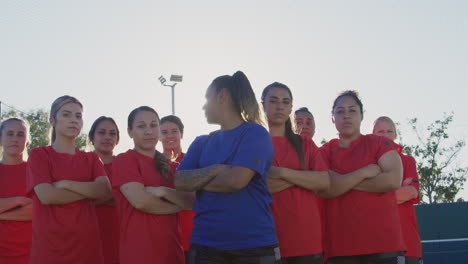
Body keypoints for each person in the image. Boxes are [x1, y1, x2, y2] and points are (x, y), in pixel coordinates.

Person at [175, 71, 280, 264]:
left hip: (253, 247)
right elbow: (180, 181)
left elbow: (235, 181)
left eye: (207, 98)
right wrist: (216, 169)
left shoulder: (255, 133)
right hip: (205, 246)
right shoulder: (201, 142)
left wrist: (197, 181)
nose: (204, 106)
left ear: (222, 96)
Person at [318, 91, 405, 264]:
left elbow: (393, 180)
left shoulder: (378, 143)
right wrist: (363, 172)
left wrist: (341, 180)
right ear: (332, 118)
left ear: (362, 115)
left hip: (383, 244)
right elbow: (326, 189)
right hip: (341, 247)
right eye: (340, 111)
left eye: (352, 110)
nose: (346, 116)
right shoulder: (325, 151)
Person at [26, 95, 112, 264]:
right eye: (66, 115)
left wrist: (66, 184)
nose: (74, 120)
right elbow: (48, 195)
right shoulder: (39, 155)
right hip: (49, 249)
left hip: (87, 248)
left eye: (78, 116)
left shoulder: (91, 158)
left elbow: (105, 192)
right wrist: (89, 191)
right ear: (52, 120)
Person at [112, 106, 192, 264]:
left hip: (173, 253)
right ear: (130, 132)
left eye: (153, 125)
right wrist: (178, 205)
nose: (148, 131)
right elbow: (141, 201)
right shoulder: (125, 160)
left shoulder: (173, 167)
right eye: (141, 126)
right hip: (139, 254)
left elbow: (191, 201)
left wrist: (164, 191)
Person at [262, 82, 329, 264]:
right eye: (274, 100)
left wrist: (282, 172)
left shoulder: (305, 144)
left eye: (285, 101)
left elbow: (323, 181)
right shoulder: (255, 144)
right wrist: (305, 176)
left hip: (307, 242)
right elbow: (260, 187)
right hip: (266, 241)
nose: (279, 106)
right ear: (263, 104)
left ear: (291, 107)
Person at [373, 116, 423, 264]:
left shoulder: (407, 161)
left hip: (409, 243)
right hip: (377, 245)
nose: (385, 135)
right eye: (380, 131)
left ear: (395, 135)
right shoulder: (365, 162)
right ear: (372, 135)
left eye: (389, 131)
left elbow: (412, 192)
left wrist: (376, 195)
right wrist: (399, 188)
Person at [160, 115, 194, 261]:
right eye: (165, 132)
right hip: (163, 240)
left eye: (174, 131)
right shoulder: (152, 164)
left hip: (193, 240)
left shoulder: (193, 161)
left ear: (181, 133)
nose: (170, 136)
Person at [0, 118, 32, 264]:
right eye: (10, 134)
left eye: (20, 134)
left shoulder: (36, 171)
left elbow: (36, 210)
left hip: (31, 253)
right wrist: (18, 200)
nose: (15, 139)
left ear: (27, 141)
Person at [89, 116, 121, 264]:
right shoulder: (81, 162)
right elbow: (73, 199)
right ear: (92, 137)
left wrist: (93, 196)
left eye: (112, 133)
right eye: (102, 132)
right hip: (88, 233)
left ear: (118, 139)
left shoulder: (125, 163)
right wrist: (114, 195)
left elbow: (132, 197)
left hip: (121, 235)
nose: (107, 137)